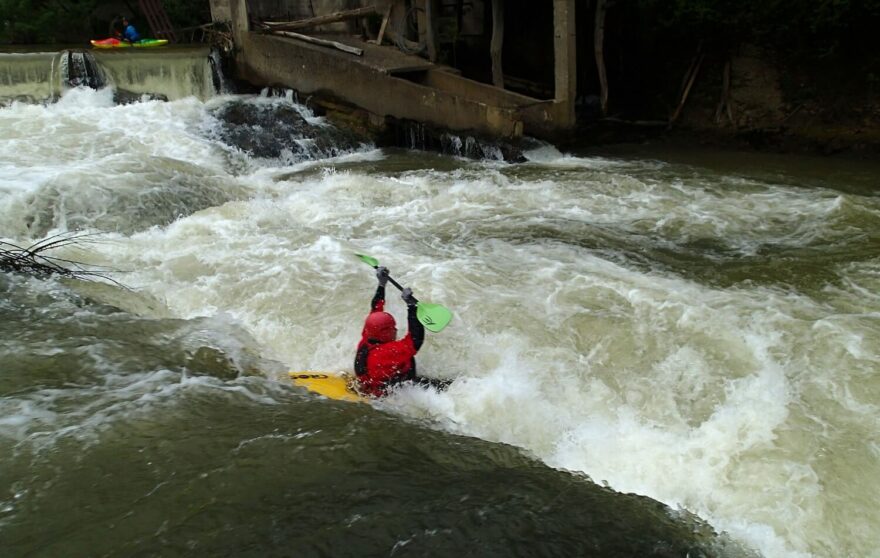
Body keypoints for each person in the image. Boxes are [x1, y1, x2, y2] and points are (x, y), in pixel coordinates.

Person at [354, 266, 427, 397]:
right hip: (389, 395)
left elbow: (376, 307)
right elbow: (416, 340)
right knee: (409, 358)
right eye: (393, 327)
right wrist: (412, 307)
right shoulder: (389, 352)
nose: (396, 329)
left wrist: (381, 284)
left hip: (368, 384)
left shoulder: (367, 336)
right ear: (385, 332)